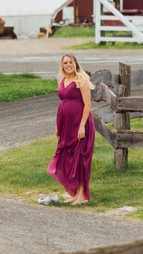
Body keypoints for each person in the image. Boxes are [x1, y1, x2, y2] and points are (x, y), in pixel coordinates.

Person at [46, 53, 94, 206]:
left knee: (80, 159)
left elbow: (87, 104)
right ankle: (74, 194)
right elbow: (63, 105)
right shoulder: (62, 80)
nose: (68, 65)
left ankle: (81, 195)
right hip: (67, 126)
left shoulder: (81, 80)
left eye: (70, 62)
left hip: (80, 125)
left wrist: (81, 126)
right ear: (62, 65)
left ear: (75, 63)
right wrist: (58, 127)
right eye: (65, 62)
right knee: (67, 157)